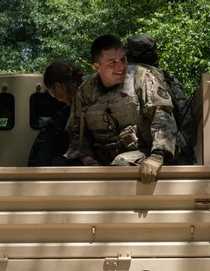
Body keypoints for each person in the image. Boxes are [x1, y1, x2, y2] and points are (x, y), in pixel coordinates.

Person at [63, 35, 178, 184]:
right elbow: (77, 134)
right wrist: (89, 162)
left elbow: (163, 118)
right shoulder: (86, 92)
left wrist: (157, 156)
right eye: (112, 63)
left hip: (147, 155)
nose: (121, 66)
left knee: (120, 163)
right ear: (97, 67)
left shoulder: (142, 79)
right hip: (102, 164)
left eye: (123, 59)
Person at [125, 34, 197, 165]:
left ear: (128, 57)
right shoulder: (166, 79)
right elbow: (186, 121)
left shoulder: (118, 79)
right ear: (154, 57)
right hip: (165, 156)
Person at [27, 61, 83, 166]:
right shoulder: (74, 107)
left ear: (58, 86)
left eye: (51, 92)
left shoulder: (86, 102)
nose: (55, 97)